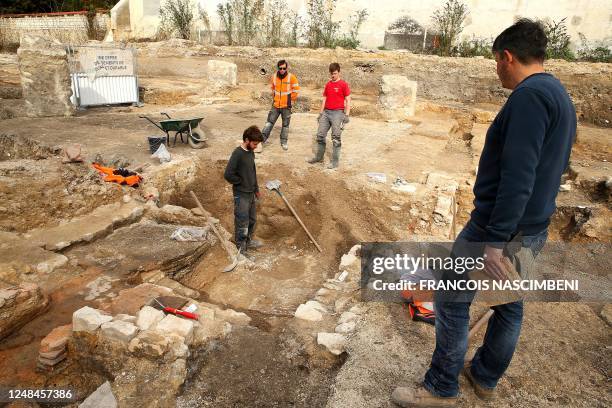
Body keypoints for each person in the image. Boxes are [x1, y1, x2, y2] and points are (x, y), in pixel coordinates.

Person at [392, 19, 576, 407]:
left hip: (497, 229)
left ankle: (441, 388)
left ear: (507, 57)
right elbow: (550, 167)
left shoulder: (528, 98)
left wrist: (494, 241)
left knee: (452, 300)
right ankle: (484, 376)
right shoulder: (558, 93)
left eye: (496, 62)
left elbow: (518, 176)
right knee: (508, 303)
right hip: (531, 226)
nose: (497, 70)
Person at [224, 126, 265, 257]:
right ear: (247, 140)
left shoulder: (250, 152)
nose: (255, 147)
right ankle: (241, 249)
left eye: (257, 144)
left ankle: (248, 241)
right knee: (242, 222)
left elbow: (252, 172)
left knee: (252, 220)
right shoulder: (238, 153)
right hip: (241, 195)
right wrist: (241, 182)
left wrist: (256, 188)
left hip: (251, 193)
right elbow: (228, 174)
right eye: (254, 144)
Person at [307, 62, 351, 169]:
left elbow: (348, 100)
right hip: (326, 112)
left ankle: (335, 162)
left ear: (339, 72)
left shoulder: (343, 84)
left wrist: (346, 115)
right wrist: (320, 113)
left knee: (336, 137)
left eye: (335, 73)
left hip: (338, 113)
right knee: (320, 135)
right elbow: (324, 99)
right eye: (331, 73)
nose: (333, 75)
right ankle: (319, 157)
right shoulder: (328, 84)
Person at [261, 59, 300, 151]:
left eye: (284, 68)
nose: (282, 70)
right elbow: (273, 89)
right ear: (278, 68)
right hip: (275, 105)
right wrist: (275, 99)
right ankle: (261, 141)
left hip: (286, 106)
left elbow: (296, 90)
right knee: (269, 123)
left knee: (285, 125)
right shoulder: (274, 77)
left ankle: (284, 142)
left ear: (286, 68)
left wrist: (290, 101)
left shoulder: (292, 77)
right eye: (280, 68)